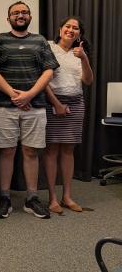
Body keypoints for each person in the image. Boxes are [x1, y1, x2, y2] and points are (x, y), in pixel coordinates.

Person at [0, 0, 59, 219]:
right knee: (7, 151)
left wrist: (29, 95)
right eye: (15, 12)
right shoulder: (0, 40)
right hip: (5, 106)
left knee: (30, 152)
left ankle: (31, 198)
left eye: (24, 12)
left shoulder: (39, 41)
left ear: (30, 16)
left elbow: (49, 72)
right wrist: (13, 94)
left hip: (35, 106)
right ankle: (5, 197)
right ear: (8, 18)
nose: (20, 15)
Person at [43, 17, 93, 214]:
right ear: (60, 29)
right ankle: (53, 199)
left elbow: (88, 81)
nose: (71, 30)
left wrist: (84, 58)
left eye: (75, 28)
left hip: (75, 102)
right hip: (53, 101)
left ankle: (67, 197)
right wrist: (56, 103)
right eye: (68, 26)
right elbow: (43, 79)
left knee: (68, 151)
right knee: (52, 149)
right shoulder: (48, 47)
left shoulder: (80, 53)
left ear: (79, 33)